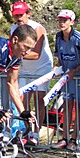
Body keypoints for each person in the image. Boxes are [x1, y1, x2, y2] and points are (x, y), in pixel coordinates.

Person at [10, 1, 53, 138]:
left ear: (28, 13)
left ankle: (36, 132)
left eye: (21, 15)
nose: (19, 18)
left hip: (42, 68)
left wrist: (18, 55)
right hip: (24, 68)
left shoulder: (37, 28)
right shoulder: (13, 29)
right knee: (22, 99)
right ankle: (24, 129)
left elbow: (36, 54)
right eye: (16, 15)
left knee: (39, 99)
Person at [51, 9, 80, 151]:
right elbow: (60, 57)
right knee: (67, 107)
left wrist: (74, 71)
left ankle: (74, 139)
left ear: (71, 22)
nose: (62, 22)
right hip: (66, 79)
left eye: (65, 20)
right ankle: (64, 138)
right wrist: (57, 69)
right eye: (60, 20)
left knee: (78, 109)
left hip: (78, 78)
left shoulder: (78, 38)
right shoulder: (58, 37)